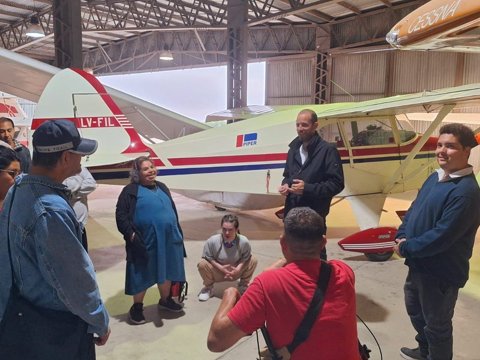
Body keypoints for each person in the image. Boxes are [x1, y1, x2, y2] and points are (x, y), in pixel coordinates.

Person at [0, 119, 110, 358]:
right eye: (79, 154)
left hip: (22, 320)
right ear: (65, 158)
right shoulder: (51, 210)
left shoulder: (18, 188)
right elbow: (74, 280)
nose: (82, 161)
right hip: (56, 331)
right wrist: (99, 319)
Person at [207, 207, 359, 359]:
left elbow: (216, 341)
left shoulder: (267, 285)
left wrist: (230, 294)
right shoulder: (344, 271)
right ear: (323, 242)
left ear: (282, 243)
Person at [393, 123, 480, 360]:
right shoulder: (435, 177)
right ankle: (424, 351)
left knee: (437, 326)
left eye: (450, 146)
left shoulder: (466, 192)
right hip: (419, 264)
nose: (441, 150)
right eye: (440, 144)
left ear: (467, 151)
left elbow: (442, 236)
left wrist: (407, 247)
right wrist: (401, 233)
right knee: (416, 313)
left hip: (441, 272)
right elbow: (413, 210)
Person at [115, 156, 186, 325]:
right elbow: (121, 216)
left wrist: (177, 231)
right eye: (145, 169)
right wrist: (131, 235)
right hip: (145, 240)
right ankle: (137, 307)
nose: (151, 171)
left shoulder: (162, 187)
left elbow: (172, 210)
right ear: (137, 173)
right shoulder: (130, 191)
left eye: (152, 167)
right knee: (142, 272)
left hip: (169, 238)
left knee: (167, 268)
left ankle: (165, 300)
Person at [278, 109, 344, 260]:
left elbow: (337, 184)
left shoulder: (328, 150)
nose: (300, 128)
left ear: (315, 126)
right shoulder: (293, 149)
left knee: (316, 257)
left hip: (314, 217)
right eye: (298, 125)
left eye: (304, 125)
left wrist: (307, 189)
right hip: (292, 215)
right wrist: (285, 186)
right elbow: (288, 176)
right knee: (292, 257)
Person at [197, 214, 257, 301]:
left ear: (236, 229)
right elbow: (208, 257)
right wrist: (221, 268)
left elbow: (246, 257)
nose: (227, 233)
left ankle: (243, 285)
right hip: (218, 272)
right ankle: (208, 288)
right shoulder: (213, 241)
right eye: (224, 229)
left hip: (236, 271)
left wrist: (238, 269)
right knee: (202, 264)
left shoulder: (244, 242)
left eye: (230, 230)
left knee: (253, 260)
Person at [63, 166, 97, 251]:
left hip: (80, 226)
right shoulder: (57, 169)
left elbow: (92, 184)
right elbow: (65, 186)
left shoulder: (79, 167)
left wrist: (72, 194)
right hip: (65, 226)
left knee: (83, 257)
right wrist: (79, 178)